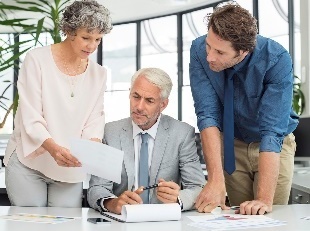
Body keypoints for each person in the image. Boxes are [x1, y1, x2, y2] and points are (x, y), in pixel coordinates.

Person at [189, 2, 298, 215]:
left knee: (267, 218)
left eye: (220, 52)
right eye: (209, 46)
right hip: (232, 144)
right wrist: (215, 180)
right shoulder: (198, 50)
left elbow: (272, 132)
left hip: (273, 146)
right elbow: (207, 114)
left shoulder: (276, 59)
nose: (210, 56)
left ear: (243, 52)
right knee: (239, 220)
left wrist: (264, 200)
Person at [4, 0, 112, 207]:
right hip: (29, 161)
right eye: (86, 38)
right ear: (69, 31)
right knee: (31, 224)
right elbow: (30, 115)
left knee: (66, 225)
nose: (92, 46)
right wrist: (53, 148)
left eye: (98, 39)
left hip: (69, 167)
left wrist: (93, 146)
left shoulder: (99, 74)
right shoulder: (37, 60)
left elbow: (95, 118)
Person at [87, 68, 205, 214]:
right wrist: (113, 203)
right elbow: (96, 188)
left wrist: (178, 198)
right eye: (136, 96)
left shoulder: (182, 133)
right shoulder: (110, 132)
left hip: (163, 218)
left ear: (163, 104)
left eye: (149, 100)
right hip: (122, 220)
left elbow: (198, 187)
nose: (139, 107)